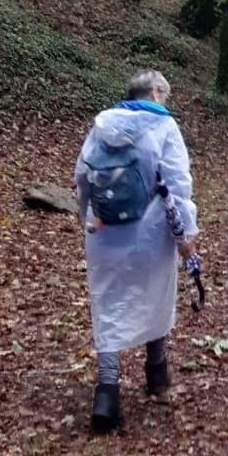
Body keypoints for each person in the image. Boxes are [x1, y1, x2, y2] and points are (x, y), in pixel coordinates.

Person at [75, 70, 198, 433]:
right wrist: (186, 234)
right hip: (151, 231)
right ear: (155, 92)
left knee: (108, 304)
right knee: (154, 296)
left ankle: (107, 392)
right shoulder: (164, 126)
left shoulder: (101, 125)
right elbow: (178, 184)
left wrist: (88, 218)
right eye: (165, 94)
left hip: (103, 232)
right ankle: (156, 375)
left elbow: (82, 177)